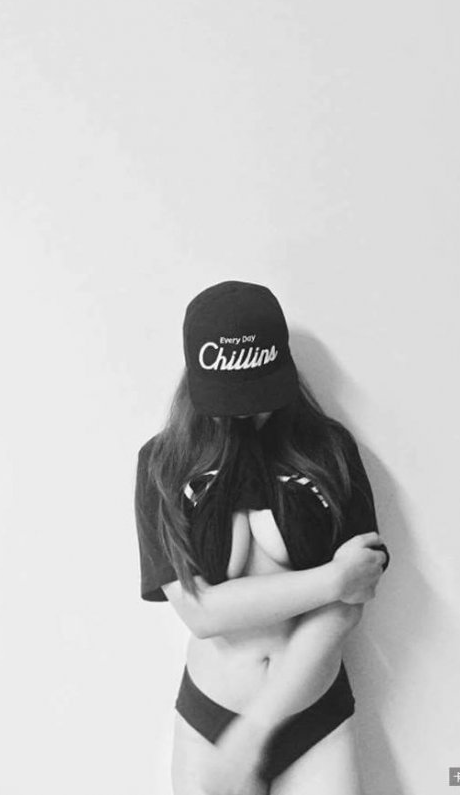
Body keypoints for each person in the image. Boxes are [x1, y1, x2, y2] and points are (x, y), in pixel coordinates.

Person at [134, 280, 391, 795]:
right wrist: (332, 578)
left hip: (314, 718)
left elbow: (348, 606)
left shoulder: (329, 450)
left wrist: (256, 729)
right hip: (212, 722)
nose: (246, 414)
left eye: (257, 397)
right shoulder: (163, 465)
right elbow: (201, 613)